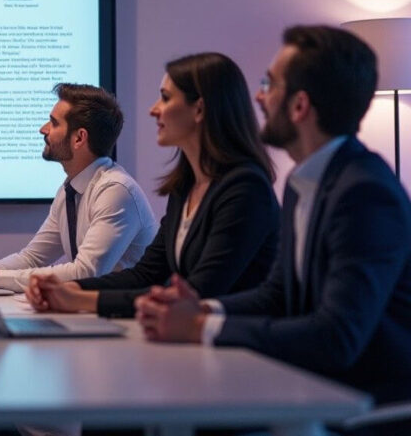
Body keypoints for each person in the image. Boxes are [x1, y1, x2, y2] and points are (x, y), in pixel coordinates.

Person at [136, 26, 411, 436]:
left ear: (299, 106)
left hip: (363, 411)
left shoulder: (365, 193)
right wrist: (204, 310)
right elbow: (277, 295)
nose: (259, 97)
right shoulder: (304, 183)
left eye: (269, 85)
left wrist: (198, 328)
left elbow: (337, 337)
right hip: (308, 391)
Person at [28, 53, 279, 318]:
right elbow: (147, 275)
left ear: (199, 110)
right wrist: (70, 288)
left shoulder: (246, 189)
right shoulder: (185, 187)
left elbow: (197, 294)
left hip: (236, 341)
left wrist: (79, 298)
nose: (154, 109)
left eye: (166, 98)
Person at [0, 83, 158, 292]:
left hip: (128, 316)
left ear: (79, 138)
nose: (43, 129)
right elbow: (32, 258)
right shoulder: (70, 190)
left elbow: (86, 272)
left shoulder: (116, 191)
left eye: (54, 123)